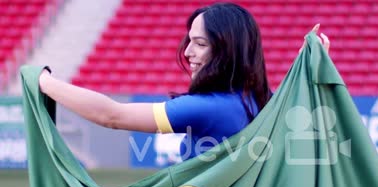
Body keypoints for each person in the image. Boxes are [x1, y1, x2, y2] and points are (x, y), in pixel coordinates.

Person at [38, 2, 330, 161]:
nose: (188, 53)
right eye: (188, 42)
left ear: (226, 49)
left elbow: (112, 116)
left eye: (199, 44)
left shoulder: (208, 109)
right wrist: (307, 68)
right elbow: (296, 97)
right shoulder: (263, 100)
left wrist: (44, 81)